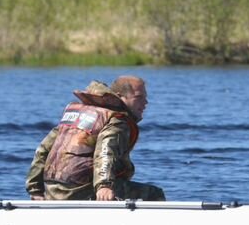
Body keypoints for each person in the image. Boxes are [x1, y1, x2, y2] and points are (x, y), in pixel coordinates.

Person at [25, 76, 165, 201]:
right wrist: (104, 185)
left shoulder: (75, 116)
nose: (146, 102)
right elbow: (105, 152)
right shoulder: (116, 121)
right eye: (139, 97)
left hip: (53, 191)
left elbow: (43, 149)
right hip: (83, 191)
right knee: (154, 194)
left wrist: (35, 189)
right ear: (120, 97)